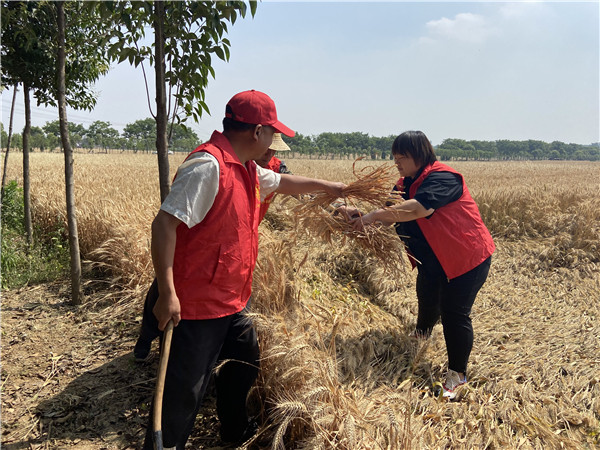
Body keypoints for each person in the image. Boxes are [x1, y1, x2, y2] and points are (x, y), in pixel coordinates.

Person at [142, 89, 345, 449]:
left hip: (234, 301)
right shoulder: (209, 166)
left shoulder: (248, 168)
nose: (273, 143)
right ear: (257, 132)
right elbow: (163, 226)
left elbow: (282, 183)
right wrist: (168, 294)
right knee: (184, 393)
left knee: (244, 364)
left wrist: (330, 188)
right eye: (271, 133)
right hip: (197, 306)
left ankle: (234, 431)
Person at [340, 130, 494, 400]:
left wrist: (374, 215)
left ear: (420, 155)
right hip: (433, 258)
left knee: (454, 313)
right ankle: (421, 335)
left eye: (403, 156)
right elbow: (388, 216)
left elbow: (420, 208)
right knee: (426, 293)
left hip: (466, 257)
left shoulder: (443, 178)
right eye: (395, 156)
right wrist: (358, 217)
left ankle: (458, 375)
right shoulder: (403, 183)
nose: (397, 161)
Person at [133, 133, 292, 364]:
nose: (270, 154)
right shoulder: (216, 165)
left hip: (232, 252)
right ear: (255, 137)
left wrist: (337, 202)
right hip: (197, 252)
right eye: (268, 148)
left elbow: (294, 187)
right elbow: (164, 224)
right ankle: (147, 337)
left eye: (274, 150)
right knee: (164, 289)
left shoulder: (269, 168)